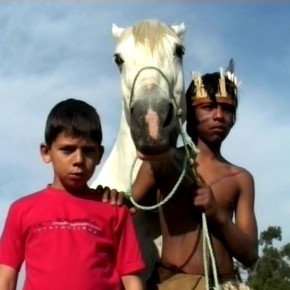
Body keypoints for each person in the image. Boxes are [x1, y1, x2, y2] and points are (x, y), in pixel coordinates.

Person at [131, 66, 258, 289]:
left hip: (227, 284)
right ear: (189, 113)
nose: (219, 116)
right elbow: (128, 206)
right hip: (176, 283)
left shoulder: (241, 178)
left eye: (227, 109)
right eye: (208, 107)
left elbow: (250, 254)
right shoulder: (164, 161)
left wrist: (218, 215)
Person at [0, 99, 145, 290]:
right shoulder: (22, 210)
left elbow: (131, 278)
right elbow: (6, 276)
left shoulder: (115, 211)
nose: (78, 160)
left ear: (100, 155)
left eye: (88, 151)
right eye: (67, 150)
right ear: (46, 152)